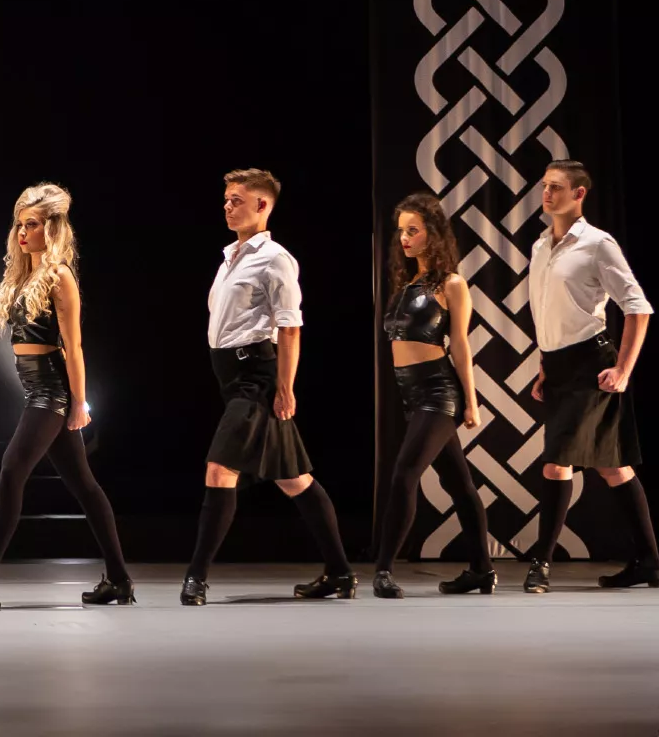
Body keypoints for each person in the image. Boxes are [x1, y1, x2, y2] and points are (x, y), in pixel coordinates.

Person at [180, 169, 356, 605]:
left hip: (256, 378)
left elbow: (290, 328)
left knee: (220, 470)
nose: (227, 205)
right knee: (294, 479)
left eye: (236, 199)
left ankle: (196, 577)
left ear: (262, 205)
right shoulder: (230, 256)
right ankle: (340, 573)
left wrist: (285, 387)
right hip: (231, 377)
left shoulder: (275, 258)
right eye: (225, 199)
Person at [0, 184, 132, 610]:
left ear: (53, 228)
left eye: (32, 225)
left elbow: (74, 347)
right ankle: (119, 579)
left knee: (11, 470)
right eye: (19, 224)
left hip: (51, 392)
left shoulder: (59, 276)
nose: (22, 233)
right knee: (84, 485)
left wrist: (78, 403)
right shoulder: (23, 275)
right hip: (34, 389)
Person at [522, 160, 655, 592]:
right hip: (558, 365)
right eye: (544, 186)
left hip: (592, 366)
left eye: (557, 187)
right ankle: (650, 561)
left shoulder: (599, 244)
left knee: (557, 461)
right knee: (612, 467)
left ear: (579, 194)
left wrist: (623, 370)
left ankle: (540, 563)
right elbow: (549, 313)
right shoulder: (540, 246)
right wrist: (545, 365)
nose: (547, 194)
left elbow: (638, 308)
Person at [370, 193, 495, 596]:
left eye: (414, 230)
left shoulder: (451, 284)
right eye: (401, 231)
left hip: (439, 393)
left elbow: (460, 345)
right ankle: (482, 570)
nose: (405, 238)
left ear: (433, 234)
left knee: (405, 474)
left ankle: (383, 570)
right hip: (411, 393)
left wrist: (471, 404)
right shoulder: (406, 284)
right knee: (459, 484)